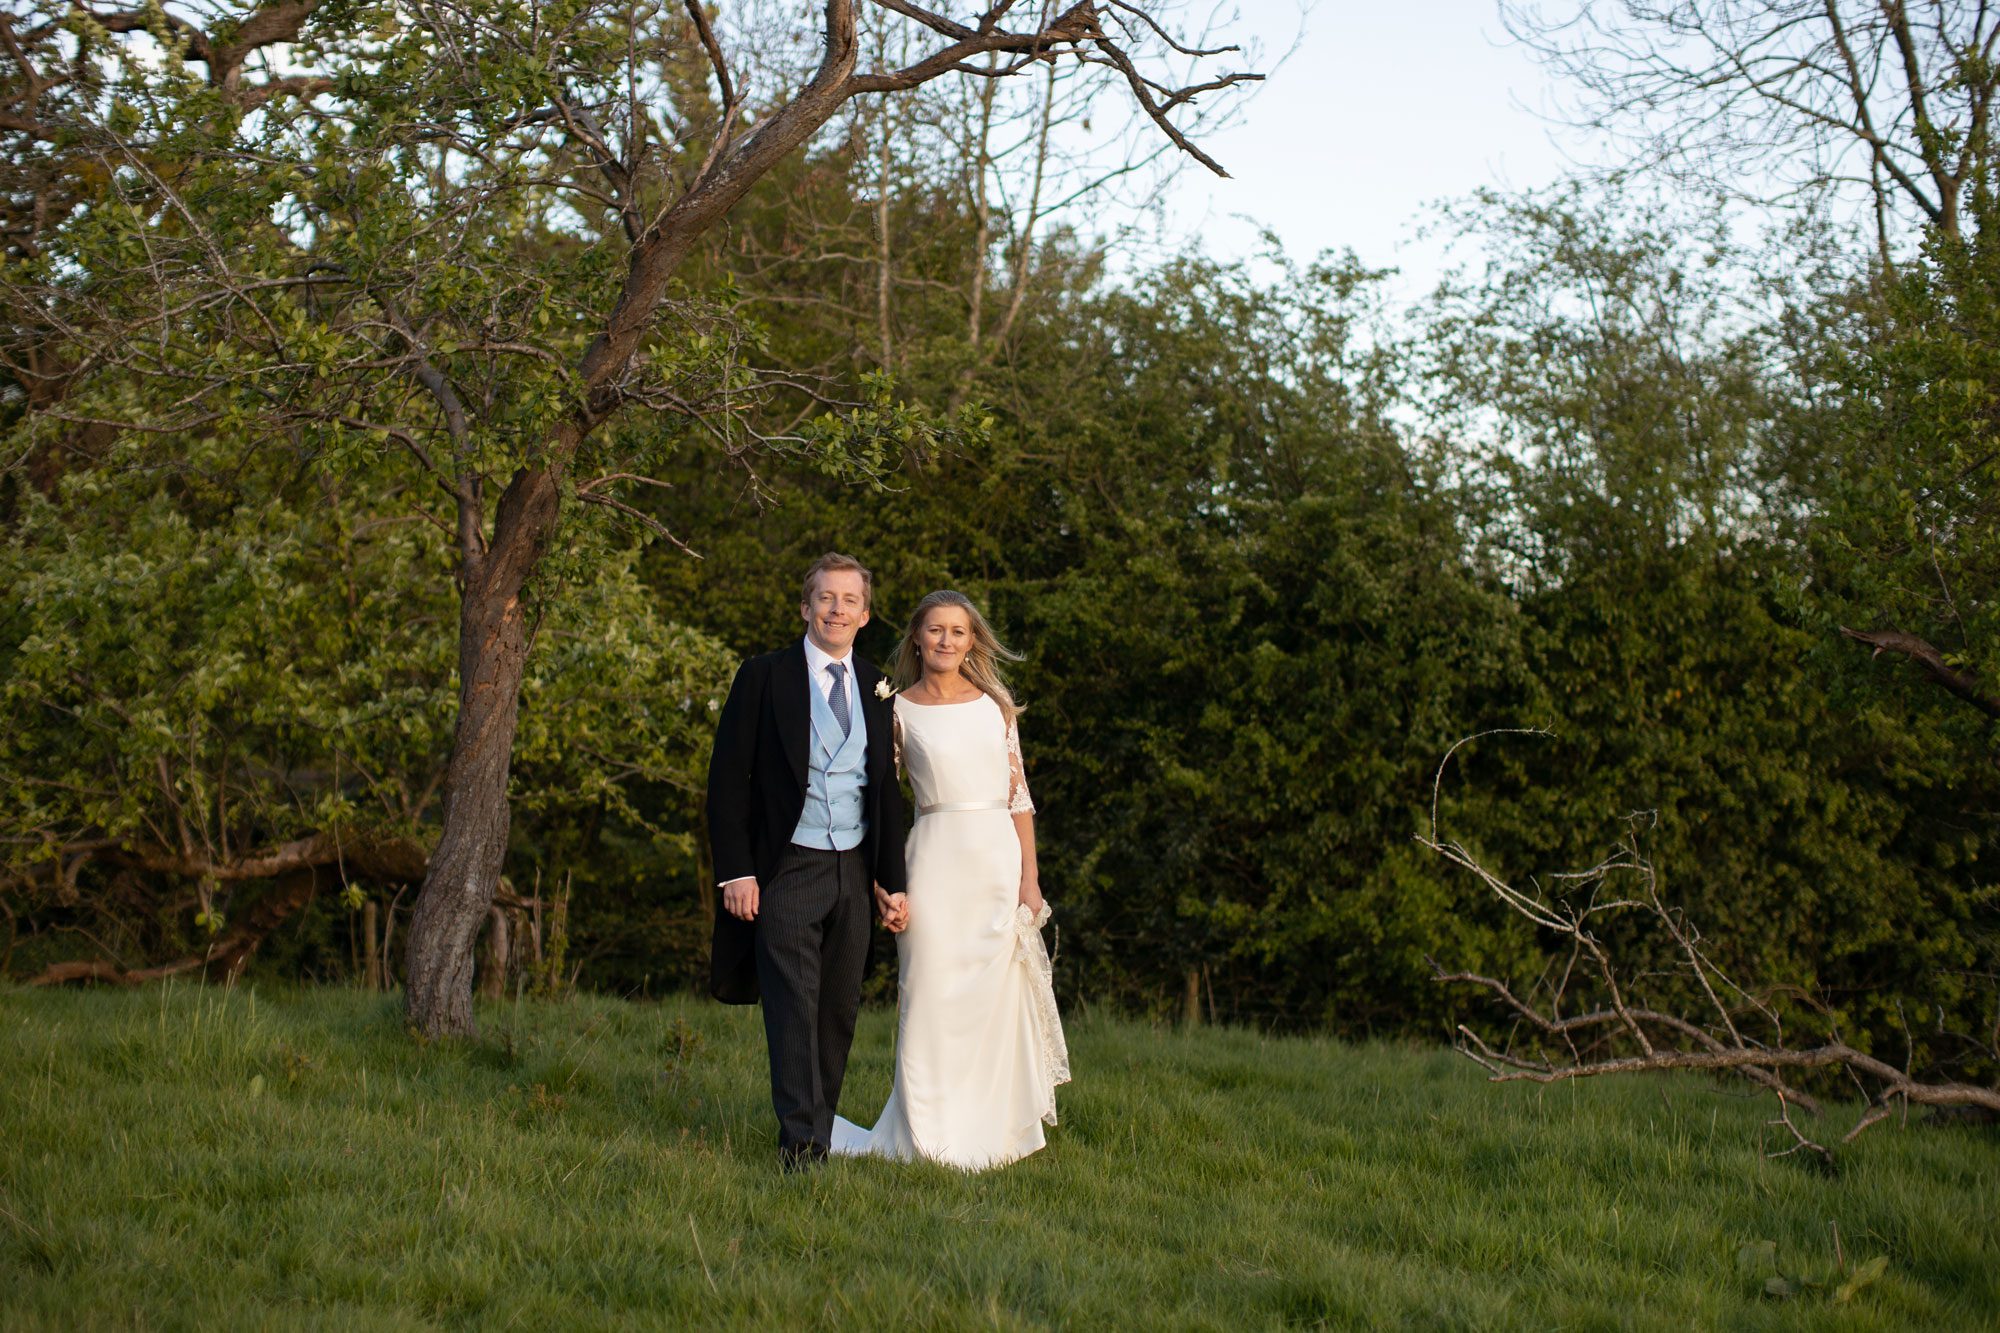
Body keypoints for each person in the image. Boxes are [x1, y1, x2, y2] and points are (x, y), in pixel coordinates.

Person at [832, 589, 1070, 1170]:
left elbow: (1020, 798)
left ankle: (989, 1137)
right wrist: (883, 882)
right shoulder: (894, 709)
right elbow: (880, 800)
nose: (946, 641)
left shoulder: (995, 705)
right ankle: (925, 1138)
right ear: (917, 636)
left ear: (972, 640)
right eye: (935, 630)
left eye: (958, 632)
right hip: (933, 858)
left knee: (991, 1001)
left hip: (995, 862)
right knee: (929, 994)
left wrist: (1029, 880)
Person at [705, 552, 909, 1171]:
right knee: (793, 1003)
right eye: (825, 598)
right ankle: (801, 1148)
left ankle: (819, 1130)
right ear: (805, 607)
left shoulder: (878, 685)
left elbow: (885, 791)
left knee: (838, 1007)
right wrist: (736, 870)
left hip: (852, 867)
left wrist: (890, 882)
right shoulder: (764, 677)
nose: (836, 610)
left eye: (849, 601)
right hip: (787, 864)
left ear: (865, 614)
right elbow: (727, 780)